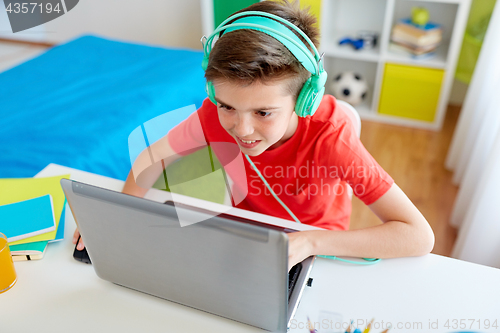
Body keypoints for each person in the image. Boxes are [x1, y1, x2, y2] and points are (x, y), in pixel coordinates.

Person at [73, 0, 434, 269]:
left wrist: (309, 241)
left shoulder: (331, 139)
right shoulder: (214, 115)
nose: (242, 129)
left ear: (304, 99)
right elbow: (153, 157)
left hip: (315, 249)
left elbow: (418, 235)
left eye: (264, 113)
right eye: (227, 106)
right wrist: (114, 220)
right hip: (242, 238)